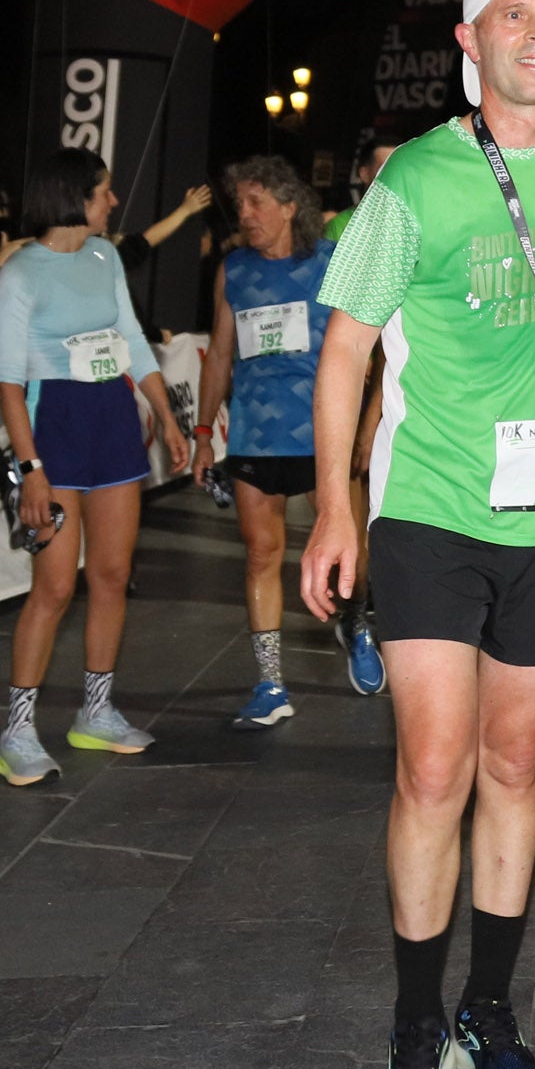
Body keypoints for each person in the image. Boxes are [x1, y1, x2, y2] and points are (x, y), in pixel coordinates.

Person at [301, 0, 535, 1069]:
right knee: (432, 770)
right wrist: (335, 511)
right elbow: (344, 351)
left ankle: (488, 1012)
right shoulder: (419, 180)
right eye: (512, 16)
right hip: (435, 506)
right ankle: (411, 1029)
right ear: (469, 42)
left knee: (513, 760)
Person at [0, 143, 193, 782]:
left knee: (111, 574)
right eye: (104, 191)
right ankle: (16, 731)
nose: (112, 201)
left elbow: (131, 338)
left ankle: (94, 714)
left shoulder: (105, 257)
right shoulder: (21, 274)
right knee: (53, 587)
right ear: (75, 197)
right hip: (55, 434)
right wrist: (30, 469)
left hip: (112, 428)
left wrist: (165, 411)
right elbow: (10, 384)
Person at [196, 153, 381, 723]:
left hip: (324, 430)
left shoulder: (333, 262)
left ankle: (355, 623)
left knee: (348, 548)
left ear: (289, 205)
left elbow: (373, 353)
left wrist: (368, 425)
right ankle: (270, 683)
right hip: (254, 432)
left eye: (256, 202)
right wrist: (204, 433)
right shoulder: (235, 271)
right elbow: (221, 355)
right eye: (240, 202)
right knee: (261, 555)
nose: (244, 213)